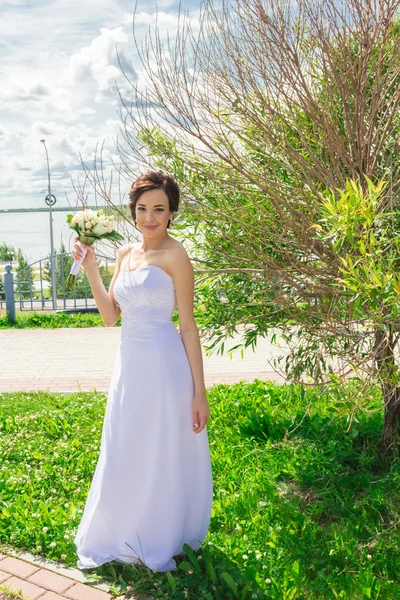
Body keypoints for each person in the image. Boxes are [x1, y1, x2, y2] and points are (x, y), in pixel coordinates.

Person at [73, 169, 213, 573]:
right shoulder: (125, 255)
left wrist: (199, 392)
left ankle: (159, 530)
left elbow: (188, 326)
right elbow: (109, 316)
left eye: (159, 209)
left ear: (171, 213)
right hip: (129, 365)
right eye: (142, 209)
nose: (149, 217)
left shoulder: (176, 255)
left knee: (160, 447)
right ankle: (122, 526)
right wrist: (91, 268)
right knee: (124, 444)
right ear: (133, 211)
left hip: (165, 366)